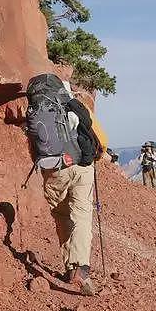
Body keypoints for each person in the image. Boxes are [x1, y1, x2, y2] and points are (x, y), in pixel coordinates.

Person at [25, 74, 98, 296]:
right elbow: (97, 137)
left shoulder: (37, 111)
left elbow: (34, 147)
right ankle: (81, 268)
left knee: (62, 214)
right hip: (82, 168)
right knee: (82, 215)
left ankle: (69, 267)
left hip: (54, 169)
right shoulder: (75, 106)